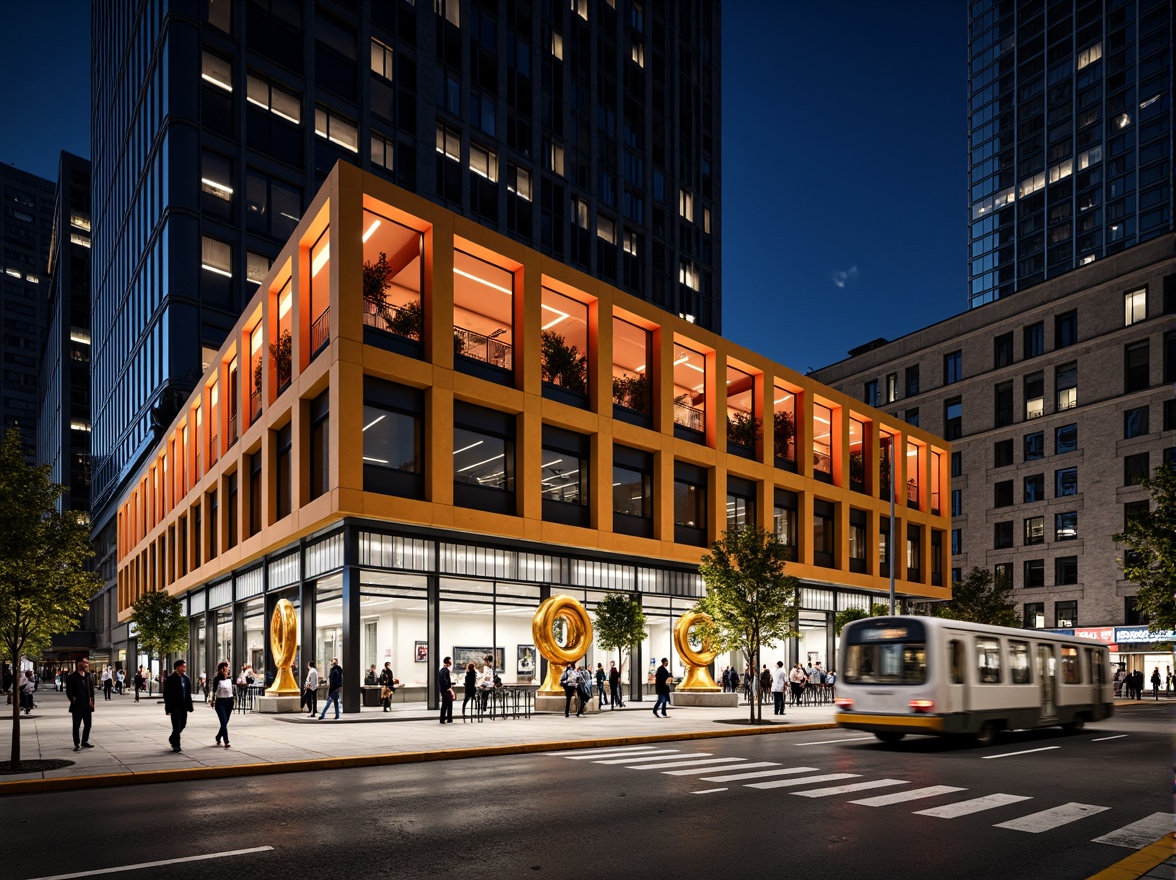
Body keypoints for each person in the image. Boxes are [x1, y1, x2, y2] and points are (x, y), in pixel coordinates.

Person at [163, 659, 194, 753]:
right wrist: (168, 708)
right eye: (183, 666)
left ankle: (172, 738)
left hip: (184, 706)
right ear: (178, 667)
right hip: (175, 706)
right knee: (176, 726)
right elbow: (167, 695)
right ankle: (176, 745)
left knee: (183, 724)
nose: (185, 668)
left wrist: (190, 706)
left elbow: (188, 693)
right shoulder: (171, 679)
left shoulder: (186, 678)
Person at [65, 658, 95, 751]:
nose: (87, 664)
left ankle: (84, 741)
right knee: (76, 725)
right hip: (77, 705)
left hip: (87, 705)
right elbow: (68, 691)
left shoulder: (88, 675)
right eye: (85, 663)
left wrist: (92, 701)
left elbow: (91, 690)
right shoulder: (72, 677)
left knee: (88, 724)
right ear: (79, 663)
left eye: (87, 663)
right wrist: (73, 700)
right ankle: (77, 743)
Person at [211, 661, 234, 747]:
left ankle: (218, 737)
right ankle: (226, 740)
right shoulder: (217, 679)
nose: (227, 669)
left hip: (229, 701)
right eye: (225, 668)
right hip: (220, 702)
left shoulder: (230, 678)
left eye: (227, 668)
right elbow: (213, 691)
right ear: (221, 669)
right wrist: (212, 700)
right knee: (223, 721)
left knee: (226, 721)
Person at [437, 656, 454, 724]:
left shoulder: (442, 670)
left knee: (446, 703)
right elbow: (445, 680)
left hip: (444, 689)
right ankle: (447, 718)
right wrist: (449, 688)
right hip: (445, 690)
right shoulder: (445, 671)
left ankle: (444, 718)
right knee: (447, 703)